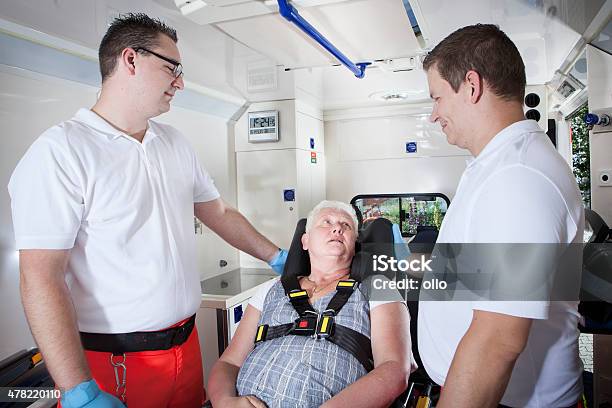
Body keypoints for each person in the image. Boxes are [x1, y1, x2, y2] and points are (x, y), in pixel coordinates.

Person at [8, 13, 287, 408]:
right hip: (112, 364)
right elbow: (39, 277)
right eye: (172, 68)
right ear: (130, 60)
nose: (181, 82)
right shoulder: (61, 152)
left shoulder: (173, 143)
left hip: (186, 349)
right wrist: (77, 389)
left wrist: (277, 255)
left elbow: (219, 212)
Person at [417, 24, 584, 407]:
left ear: (471, 86)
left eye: (438, 97)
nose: (433, 114)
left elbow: (498, 340)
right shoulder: (497, 166)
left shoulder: (517, 178)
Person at [207, 200, 414, 407]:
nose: (337, 228)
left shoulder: (378, 287)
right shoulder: (271, 289)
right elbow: (229, 362)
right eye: (326, 222)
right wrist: (225, 401)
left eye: (346, 225)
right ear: (305, 241)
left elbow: (394, 369)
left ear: (354, 244)